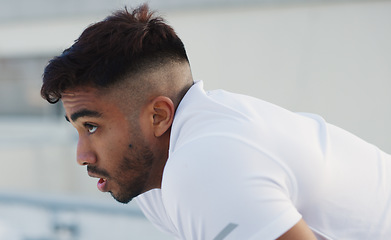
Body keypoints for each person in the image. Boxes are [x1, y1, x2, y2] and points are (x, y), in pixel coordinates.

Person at [40, 4, 391, 239]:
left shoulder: (204, 164)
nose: (82, 155)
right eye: (77, 131)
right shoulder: (154, 174)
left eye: (92, 127)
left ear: (158, 116)